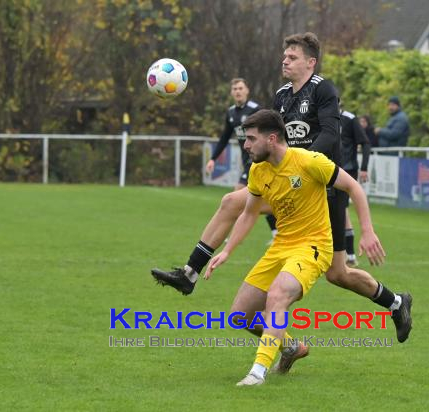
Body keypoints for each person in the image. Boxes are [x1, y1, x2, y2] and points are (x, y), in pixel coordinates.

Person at [151, 32, 412, 357]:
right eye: (284, 56)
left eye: (291, 57)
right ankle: (189, 273)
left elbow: (332, 136)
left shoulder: (323, 90)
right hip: (289, 183)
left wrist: (301, 168)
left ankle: (396, 302)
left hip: (323, 189)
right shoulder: (282, 96)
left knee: (338, 274)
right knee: (233, 201)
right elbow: (271, 139)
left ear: (310, 62)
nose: (284, 61)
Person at [205, 109, 385, 385]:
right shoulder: (258, 170)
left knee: (277, 296)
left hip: (313, 246)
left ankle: (258, 372)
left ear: (272, 139)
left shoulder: (309, 161)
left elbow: (354, 189)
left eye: (251, 139)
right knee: (240, 315)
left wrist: (367, 232)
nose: (246, 145)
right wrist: (228, 249)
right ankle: (290, 347)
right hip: (281, 246)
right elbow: (249, 213)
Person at [204, 78, 278, 240]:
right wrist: (213, 159)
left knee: (235, 196)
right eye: (235, 89)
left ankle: (231, 236)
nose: (237, 91)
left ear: (247, 90)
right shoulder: (231, 112)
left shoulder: (255, 109)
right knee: (264, 198)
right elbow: (224, 137)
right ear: (231, 93)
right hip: (247, 161)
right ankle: (277, 234)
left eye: (240, 88)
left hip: (259, 161)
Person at [340, 110, 371, 267]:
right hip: (326, 169)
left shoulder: (349, 119)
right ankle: (348, 254)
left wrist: (364, 167)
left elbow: (365, 142)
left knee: (341, 209)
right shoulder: (320, 116)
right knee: (338, 210)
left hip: (347, 170)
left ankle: (350, 254)